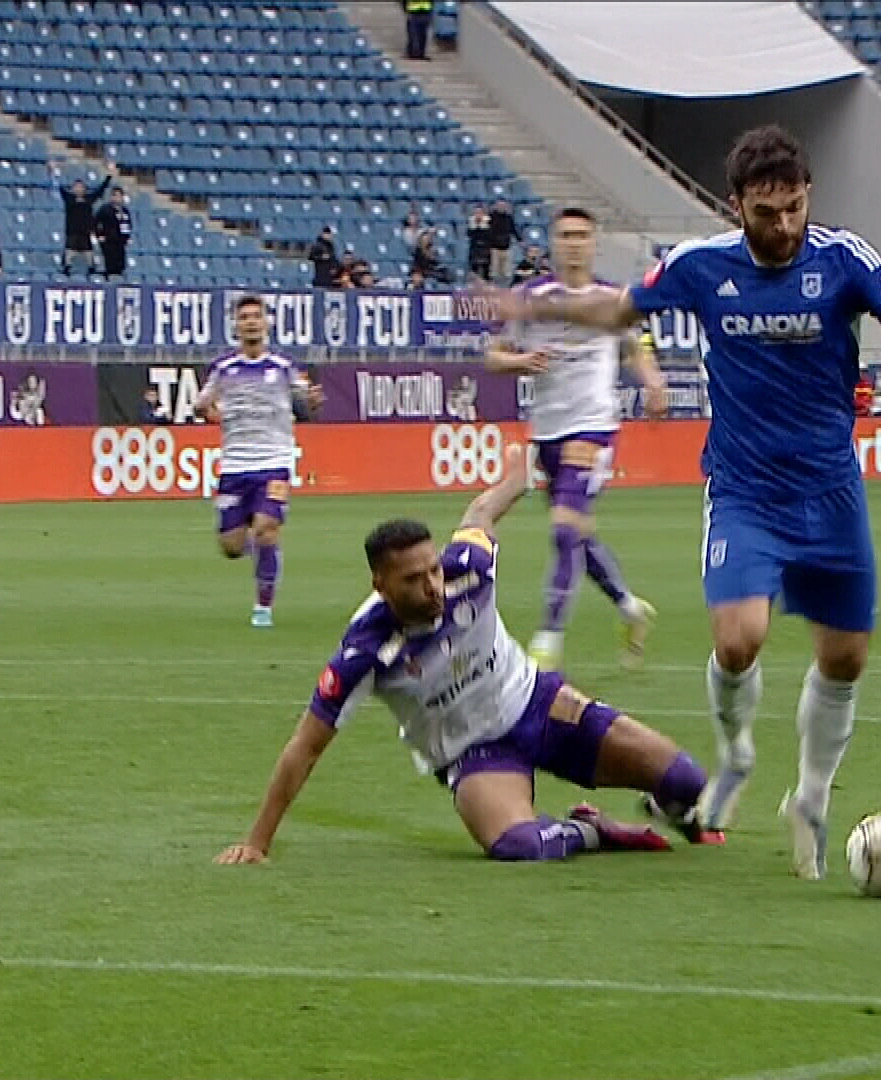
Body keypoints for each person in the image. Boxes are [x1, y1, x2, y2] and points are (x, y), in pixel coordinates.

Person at [483, 125, 881, 870]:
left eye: (796, 207)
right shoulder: (701, 266)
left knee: (845, 662)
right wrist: (535, 310)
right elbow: (616, 313)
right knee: (738, 639)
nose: (785, 226)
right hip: (743, 488)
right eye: (767, 212)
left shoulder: (842, 257)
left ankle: (811, 796)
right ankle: (735, 749)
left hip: (831, 489)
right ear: (735, 205)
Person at [214, 444, 711, 866]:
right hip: (476, 754)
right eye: (413, 579)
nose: (432, 586)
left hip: (540, 705)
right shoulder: (365, 650)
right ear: (380, 585)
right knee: (520, 845)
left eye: (432, 570)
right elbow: (305, 747)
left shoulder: (468, 569)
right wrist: (257, 842)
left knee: (688, 781)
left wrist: (517, 475)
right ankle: (596, 831)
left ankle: (668, 806)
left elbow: (480, 514)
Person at [486, 207, 664, 675]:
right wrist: (522, 361)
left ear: (594, 242)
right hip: (547, 429)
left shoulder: (613, 299)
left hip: (594, 425)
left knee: (565, 529)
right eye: (565, 235)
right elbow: (493, 357)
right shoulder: (531, 296)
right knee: (577, 536)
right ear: (552, 242)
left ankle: (548, 641)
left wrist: (652, 381)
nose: (573, 243)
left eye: (582, 235)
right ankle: (629, 607)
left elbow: (636, 347)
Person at [195, 295, 323, 628]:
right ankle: (265, 554)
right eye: (244, 317)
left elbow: (306, 400)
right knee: (232, 547)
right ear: (235, 326)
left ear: (266, 324)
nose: (251, 322)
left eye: (256, 316)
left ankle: (263, 608)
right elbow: (201, 404)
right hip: (235, 466)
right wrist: (212, 413)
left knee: (266, 530)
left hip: (274, 463)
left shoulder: (282, 367)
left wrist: (311, 400)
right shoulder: (224, 369)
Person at [54, 164, 112, 277]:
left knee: (89, 254)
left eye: (81, 187)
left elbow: (101, 189)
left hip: (85, 233)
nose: (78, 189)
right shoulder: (69, 199)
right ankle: (66, 269)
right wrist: (54, 172)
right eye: (76, 187)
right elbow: (58, 187)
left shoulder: (89, 199)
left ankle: (92, 270)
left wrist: (109, 176)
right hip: (72, 232)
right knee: (69, 253)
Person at [92, 184, 132, 279]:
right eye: (115, 195)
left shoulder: (125, 211)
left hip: (121, 243)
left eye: (120, 196)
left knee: (120, 265)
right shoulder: (105, 209)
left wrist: (127, 237)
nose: (118, 198)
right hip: (109, 242)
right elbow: (95, 222)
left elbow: (128, 224)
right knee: (110, 264)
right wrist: (99, 235)